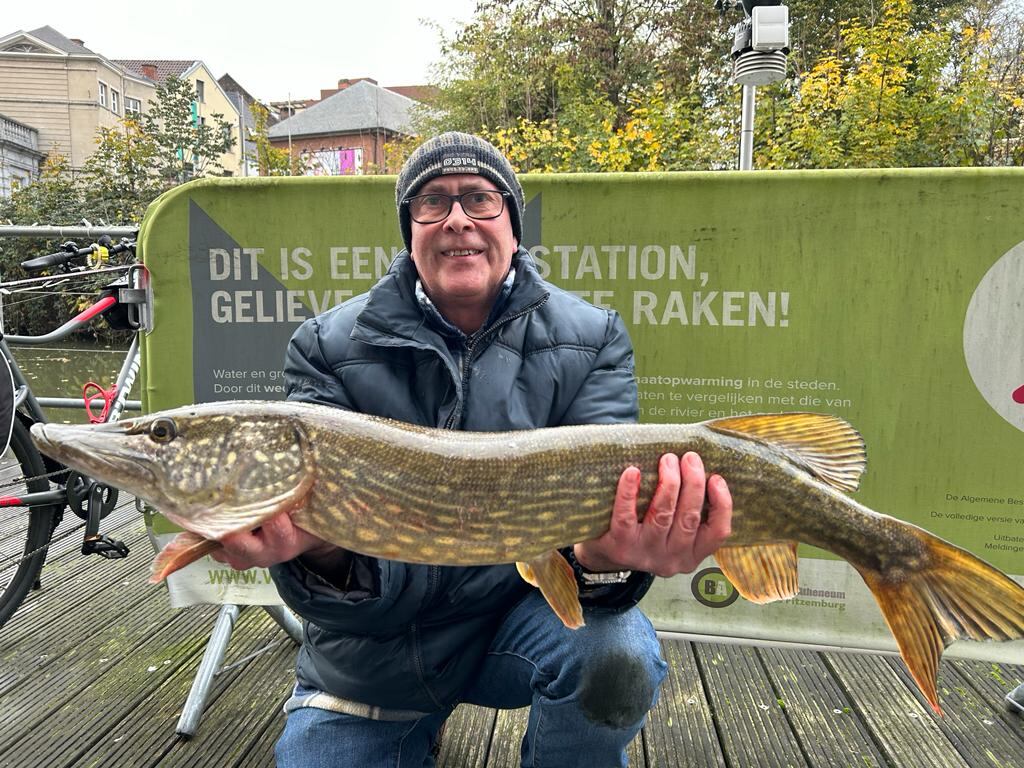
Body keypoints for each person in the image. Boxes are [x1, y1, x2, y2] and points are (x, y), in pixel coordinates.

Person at [213, 132, 733, 768]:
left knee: (617, 655)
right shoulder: (324, 346)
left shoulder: (593, 338)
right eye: (432, 202)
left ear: (512, 225)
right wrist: (317, 548)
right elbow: (331, 568)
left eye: (481, 199)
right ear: (410, 231)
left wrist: (602, 564)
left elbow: (595, 548)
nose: (457, 218)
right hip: (377, 651)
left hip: (517, 625)